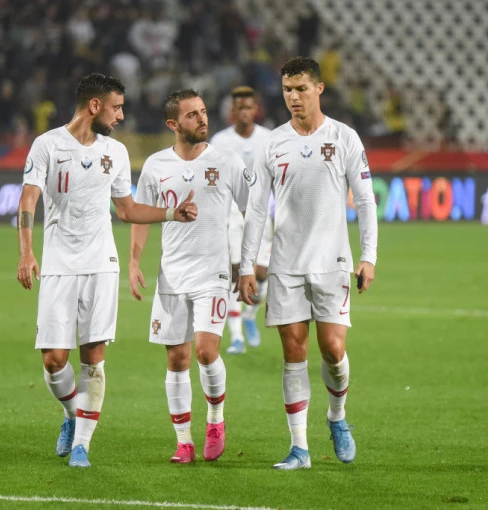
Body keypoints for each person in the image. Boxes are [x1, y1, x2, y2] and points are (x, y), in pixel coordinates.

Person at [16, 74, 198, 469]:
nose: (121, 115)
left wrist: (171, 213)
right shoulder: (47, 145)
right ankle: (71, 414)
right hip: (59, 263)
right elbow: (28, 199)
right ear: (94, 106)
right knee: (53, 360)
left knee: (93, 357)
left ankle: (82, 445)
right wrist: (26, 252)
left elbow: (127, 210)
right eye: (116, 107)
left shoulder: (115, 152)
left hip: (101, 263)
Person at [237, 57, 378, 470]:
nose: (293, 97)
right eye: (287, 90)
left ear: (319, 89)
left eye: (301, 88)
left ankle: (337, 416)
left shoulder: (344, 137)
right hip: (285, 264)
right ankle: (299, 447)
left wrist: (368, 257)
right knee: (293, 352)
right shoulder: (272, 143)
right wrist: (247, 265)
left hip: (332, 261)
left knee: (333, 350)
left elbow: (365, 200)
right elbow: (256, 209)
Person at [128, 89, 250, 464]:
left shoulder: (227, 162)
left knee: (205, 351)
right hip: (172, 275)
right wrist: (134, 261)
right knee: (177, 359)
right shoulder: (156, 166)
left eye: (203, 111)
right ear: (173, 124)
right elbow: (141, 214)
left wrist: (248, 264)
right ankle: (184, 442)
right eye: (192, 114)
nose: (202, 118)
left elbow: (254, 212)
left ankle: (215, 420)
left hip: (213, 273)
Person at [209, 86, 272, 354]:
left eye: (248, 107)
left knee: (262, 272)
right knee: (236, 271)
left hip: (261, 211)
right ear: (232, 111)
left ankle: (249, 316)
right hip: (232, 212)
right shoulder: (220, 141)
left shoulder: (268, 138)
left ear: (255, 109)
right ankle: (236, 337)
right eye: (239, 108)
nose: (244, 112)